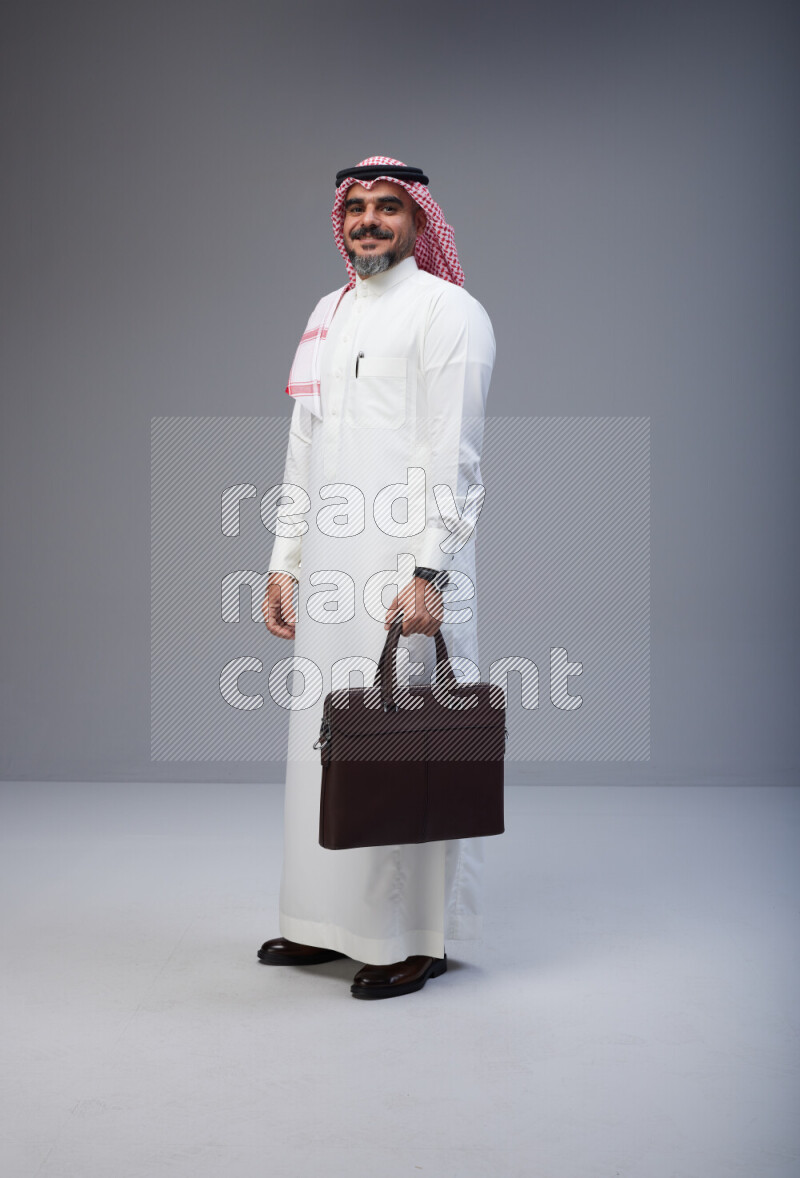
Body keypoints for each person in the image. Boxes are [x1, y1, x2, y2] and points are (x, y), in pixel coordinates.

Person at [258, 156, 495, 999]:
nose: (368, 221)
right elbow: (303, 446)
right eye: (355, 207)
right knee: (328, 740)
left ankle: (411, 937)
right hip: (329, 566)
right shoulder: (329, 312)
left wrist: (430, 571)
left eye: (387, 207)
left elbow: (457, 456)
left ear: (419, 221)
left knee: (405, 742)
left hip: (407, 569)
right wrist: (285, 562)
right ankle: (325, 923)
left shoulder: (449, 312)